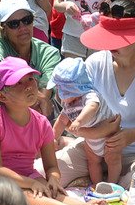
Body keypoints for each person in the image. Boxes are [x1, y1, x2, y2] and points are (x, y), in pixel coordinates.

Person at [54, 2, 135, 187]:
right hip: (93, 150)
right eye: (108, 36)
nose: (111, 44)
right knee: (45, 172)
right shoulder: (94, 63)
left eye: (118, 37)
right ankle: (99, 180)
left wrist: (134, 135)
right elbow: (71, 104)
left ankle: (97, 182)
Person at [0, 58, 104, 205]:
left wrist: (53, 178)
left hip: (27, 174)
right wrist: (30, 183)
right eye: (18, 83)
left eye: (30, 78)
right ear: (1, 96)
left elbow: (51, 166)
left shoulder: (41, 123)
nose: (29, 85)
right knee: (23, 194)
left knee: (50, 190)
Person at [49, 57, 120, 187]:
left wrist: (78, 121)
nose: (60, 95)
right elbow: (61, 120)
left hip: (109, 138)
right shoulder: (68, 104)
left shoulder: (89, 95)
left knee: (113, 160)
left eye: (62, 90)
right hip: (91, 142)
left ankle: (112, 184)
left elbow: (92, 107)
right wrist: (53, 138)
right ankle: (97, 184)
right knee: (92, 162)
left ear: (75, 89)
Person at [0, 0, 62, 113]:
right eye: (14, 24)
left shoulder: (50, 53)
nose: (22, 28)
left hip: (36, 111)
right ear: (3, 29)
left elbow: (43, 98)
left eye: (27, 20)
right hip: (5, 109)